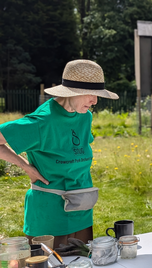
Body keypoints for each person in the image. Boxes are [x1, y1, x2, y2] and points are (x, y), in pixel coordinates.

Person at [0, 59, 118, 246]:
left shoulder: (85, 116)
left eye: (97, 95)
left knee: (84, 263)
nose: (95, 101)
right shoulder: (41, 121)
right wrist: (25, 166)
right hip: (49, 218)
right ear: (72, 92)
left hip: (82, 211)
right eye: (90, 94)